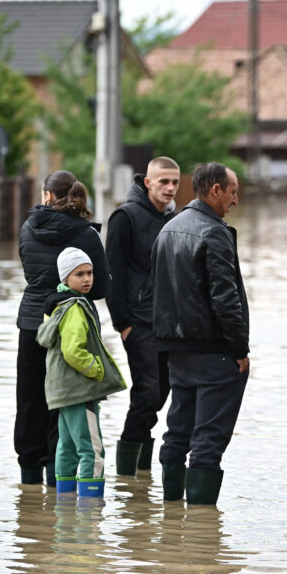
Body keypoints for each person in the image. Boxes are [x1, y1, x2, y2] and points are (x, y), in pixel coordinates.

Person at [150, 162, 249, 506]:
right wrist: (239, 349)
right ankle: (201, 530)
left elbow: (156, 293)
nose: (236, 200)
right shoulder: (214, 232)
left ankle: (171, 516)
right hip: (213, 350)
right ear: (215, 190)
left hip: (175, 349)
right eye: (233, 191)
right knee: (209, 438)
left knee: (177, 431)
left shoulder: (168, 229)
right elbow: (225, 298)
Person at [15, 171, 109, 487]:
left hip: (32, 323)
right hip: (71, 325)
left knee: (29, 400)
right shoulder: (86, 234)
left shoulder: (28, 228)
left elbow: (30, 274)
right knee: (65, 402)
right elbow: (100, 288)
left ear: (46, 196)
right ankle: (60, 484)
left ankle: (28, 485)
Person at [105, 157, 180, 477]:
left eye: (175, 182)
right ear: (147, 182)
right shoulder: (125, 217)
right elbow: (112, 273)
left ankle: (139, 470)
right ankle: (126, 472)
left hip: (169, 323)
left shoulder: (175, 218)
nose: (170, 188)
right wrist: (123, 323)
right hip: (137, 321)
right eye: (164, 181)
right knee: (147, 391)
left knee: (162, 392)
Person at [37, 248, 127, 497]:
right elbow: (73, 351)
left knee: (66, 446)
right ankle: (90, 511)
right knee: (92, 449)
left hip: (62, 390)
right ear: (65, 278)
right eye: (79, 274)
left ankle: (64, 506)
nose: (87, 279)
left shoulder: (57, 305)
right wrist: (97, 371)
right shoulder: (75, 308)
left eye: (90, 273)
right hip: (80, 389)